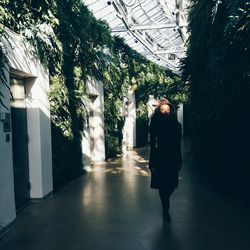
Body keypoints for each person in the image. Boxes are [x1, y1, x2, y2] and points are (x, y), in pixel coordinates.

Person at [149, 98, 182, 223]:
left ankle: (165, 202)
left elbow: (179, 144)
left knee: (172, 184)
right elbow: (152, 146)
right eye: (162, 109)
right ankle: (165, 208)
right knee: (162, 185)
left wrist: (180, 160)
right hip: (159, 157)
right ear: (158, 111)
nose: (165, 111)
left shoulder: (177, 126)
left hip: (172, 157)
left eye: (168, 109)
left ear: (171, 111)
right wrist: (152, 163)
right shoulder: (154, 126)